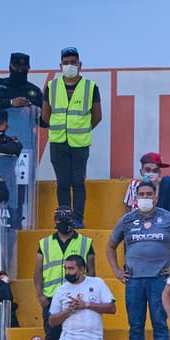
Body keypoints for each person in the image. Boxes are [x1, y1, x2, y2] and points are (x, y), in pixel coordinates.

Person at [108, 181, 170, 340]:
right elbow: (110, 245)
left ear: (155, 197)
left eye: (148, 194)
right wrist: (117, 271)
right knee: (135, 326)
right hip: (134, 280)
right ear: (136, 198)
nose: (145, 197)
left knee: (160, 324)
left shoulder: (167, 217)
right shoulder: (127, 220)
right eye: (141, 194)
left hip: (159, 280)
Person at [41, 47, 102, 226]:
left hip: (80, 143)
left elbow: (97, 116)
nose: (69, 66)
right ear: (60, 65)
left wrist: (81, 128)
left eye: (73, 62)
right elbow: (45, 115)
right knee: (62, 182)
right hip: (58, 141)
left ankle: (78, 219)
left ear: (80, 64)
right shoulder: (52, 86)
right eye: (66, 63)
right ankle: (64, 217)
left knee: (77, 182)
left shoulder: (90, 87)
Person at [35, 207, 95, 340]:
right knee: (51, 338)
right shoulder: (45, 243)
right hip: (51, 297)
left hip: (77, 298)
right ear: (55, 221)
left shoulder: (85, 242)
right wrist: (40, 296)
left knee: (80, 339)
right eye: (60, 220)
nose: (64, 223)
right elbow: (37, 272)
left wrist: (87, 296)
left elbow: (92, 272)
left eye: (67, 220)